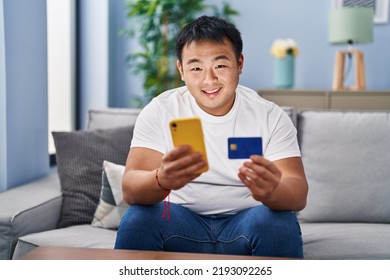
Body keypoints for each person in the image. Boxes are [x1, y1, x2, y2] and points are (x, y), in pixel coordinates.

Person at [115, 15, 308, 258]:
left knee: (278, 223)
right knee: (138, 219)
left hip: (247, 221)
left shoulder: (270, 116)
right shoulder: (160, 110)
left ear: (239, 64)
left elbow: (298, 193)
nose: (209, 79)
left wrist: (272, 191)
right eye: (196, 68)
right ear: (181, 70)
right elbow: (130, 190)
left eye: (220, 65)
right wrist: (161, 179)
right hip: (178, 221)